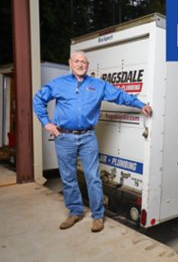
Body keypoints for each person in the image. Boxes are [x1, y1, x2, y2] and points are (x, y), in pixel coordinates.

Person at [33, 51, 152, 233]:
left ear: (87, 66)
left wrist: (140, 104)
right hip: (64, 137)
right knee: (68, 177)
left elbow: (120, 95)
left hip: (88, 137)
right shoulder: (59, 84)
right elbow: (38, 99)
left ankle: (97, 216)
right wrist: (46, 122)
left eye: (83, 62)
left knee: (93, 177)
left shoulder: (98, 85)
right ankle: (75, 212)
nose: (80, 64)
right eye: (77, 61)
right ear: (70, 63)